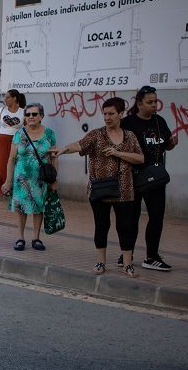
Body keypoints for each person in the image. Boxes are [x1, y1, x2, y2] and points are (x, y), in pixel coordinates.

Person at [52, 98, 144, 276]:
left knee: (126, 227)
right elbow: (79, 144)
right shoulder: (96, 135)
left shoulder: (130, 136)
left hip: (125, 189)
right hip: (100, 188)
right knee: (101, 226)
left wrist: (118, 153)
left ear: (120, 114)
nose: (107, 117)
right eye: (105, 114)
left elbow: (140, 158)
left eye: (111, 113)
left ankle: (127, 264)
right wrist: (63, 149)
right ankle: (101, 263)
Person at [121, 86, 177, 271]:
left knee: (157, 217)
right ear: (139, 104)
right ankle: (126, 253)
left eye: (155, 101)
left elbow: (165, 147)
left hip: (156, 178)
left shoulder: (159, 121)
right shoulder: (127, 123)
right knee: (131, 217)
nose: (154, 105)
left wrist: (171, 144)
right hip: (133, 177)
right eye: (150, 102)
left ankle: (152, 256)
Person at [2, 102, 57, 251]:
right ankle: (20, 238)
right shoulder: (19, 134)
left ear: (41, 116)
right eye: (27, 114)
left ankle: (36, 238)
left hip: (40, 179)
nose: (30, 117)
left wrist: (54, 180)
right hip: (21, 179)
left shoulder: (50, 134)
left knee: (38, 208)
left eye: (34, 114)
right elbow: (11, 159)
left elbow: (54, 158)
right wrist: (8, 181)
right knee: (21, 209)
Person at [0, 90, 26, 200]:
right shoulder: (2, 110)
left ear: (15, 98)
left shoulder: (23, 112)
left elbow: (27, 128)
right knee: (1, 167)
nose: (5, 100)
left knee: (15, 166)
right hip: (1, 140)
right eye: (5, 97)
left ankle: (11, 189)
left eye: (7, 97)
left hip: (16, 141)